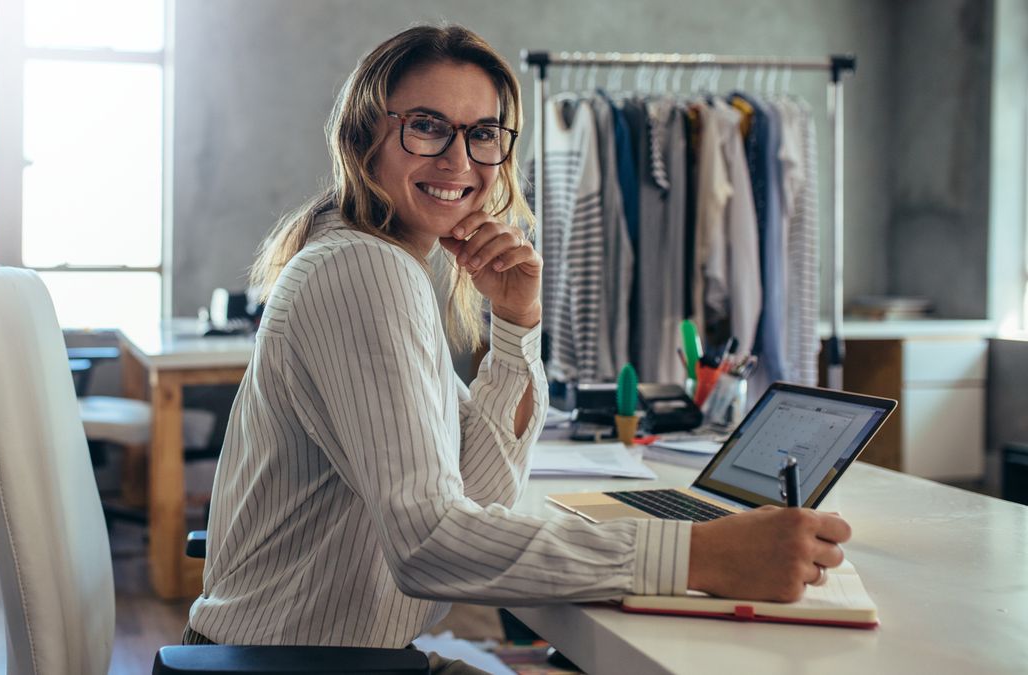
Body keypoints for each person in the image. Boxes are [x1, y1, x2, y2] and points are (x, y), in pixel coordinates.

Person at [186, 23, 850, 672]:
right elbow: (430, 545)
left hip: (332, 658)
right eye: (426, 125)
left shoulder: (381, 265)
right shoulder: (363, 270)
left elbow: (482, 498)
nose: (458, 159)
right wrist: (699, 553)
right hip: (298, 666)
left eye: (482, 134)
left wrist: (515, 321)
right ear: (365, 138)